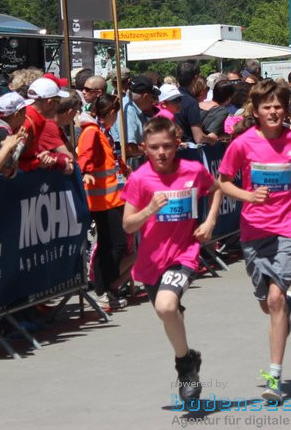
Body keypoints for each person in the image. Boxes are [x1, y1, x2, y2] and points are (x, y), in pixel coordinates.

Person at [217, 80, 291, 402]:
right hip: (254, 230)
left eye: (278, 106)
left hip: (290, 227)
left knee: (275, 299)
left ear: (286, 109)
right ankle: (285, 305)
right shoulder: (243, 143)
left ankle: (274, 376)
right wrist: (248, 195)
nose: (273, 112)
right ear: (257, 110)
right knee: (269, 303)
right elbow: (223, 182)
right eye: (267, 107)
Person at [121, 116, 222, 402]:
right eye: (154, 147)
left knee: (166, 307)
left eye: (167, 146)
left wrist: (210, 221)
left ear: (177, 144)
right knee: (168, 312)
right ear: (144, 149)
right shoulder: (140, 178)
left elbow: (215, 190)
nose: (161, 153)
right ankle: (188, 357)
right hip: (152, 260)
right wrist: (149, 209)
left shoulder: (193, 170)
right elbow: (128, 225)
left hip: (184, 254)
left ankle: (184, 370)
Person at [78, 93, 133, 310]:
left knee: (113, 244)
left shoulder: (102, 132)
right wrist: (86, 171)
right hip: (100, 200)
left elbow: (107, 158)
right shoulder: (92, 132)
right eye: (115, 113)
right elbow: (85, 157)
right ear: (110, 112)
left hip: (110, 198)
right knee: (115, 244)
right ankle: (103, 289)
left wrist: (122, 167)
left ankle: (107, 290)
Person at [111, 76, 157, 160]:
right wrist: (154, 150)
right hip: (128, 166)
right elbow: (129, 148)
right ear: (145, 96)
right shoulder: (127, 110)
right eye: (152, 97)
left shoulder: (135, 108)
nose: (152, 101)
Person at [174, 60, 218, 146]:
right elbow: (199, 137)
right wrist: (211, 139)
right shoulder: (191, 102)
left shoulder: (171, 99)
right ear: (195, 77)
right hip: (188, 150)